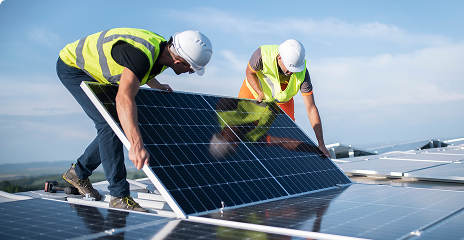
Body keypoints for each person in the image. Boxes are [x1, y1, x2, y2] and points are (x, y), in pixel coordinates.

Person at [57, 28, 213, 212]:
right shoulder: (142, 55)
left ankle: (78, 173)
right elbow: (124, 97)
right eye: (191, 68)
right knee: (110, 124)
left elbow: (141, 69)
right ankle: (119, 196)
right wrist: (136, 145)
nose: (191, 72)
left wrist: (155, 84)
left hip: (96, 72)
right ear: (179, 60)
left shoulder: (165, 50)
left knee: (123, 122)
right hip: (74, 67)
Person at [238, 39, 330, 157]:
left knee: (286, 134)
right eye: (289, 68)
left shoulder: (303, 73)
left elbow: (311, 108)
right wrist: (259, 92)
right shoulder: (262, 54)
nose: (291, 72)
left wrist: (321, 143)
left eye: (294, 69)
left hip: (282, 99)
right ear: (279, 57)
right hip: (254, 92)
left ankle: (275, 162)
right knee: (241, 128)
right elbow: (249, 72)